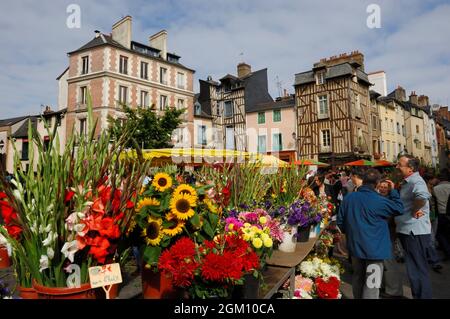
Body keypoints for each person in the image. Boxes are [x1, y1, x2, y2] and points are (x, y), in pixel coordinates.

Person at [337, 169, 404, 299]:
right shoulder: (379, 200)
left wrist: (351, 233)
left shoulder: (349, 198)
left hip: (356, 246)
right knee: (372, 284)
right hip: (375, 248)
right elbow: (399, 208)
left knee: (358, 277)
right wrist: (393, 191)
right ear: (378, 183)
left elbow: (340, 222)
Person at [395, 155, 433, 299]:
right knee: (414, 268)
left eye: (400, 165)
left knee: (416, 268)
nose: (397, 167)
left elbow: (422, 197)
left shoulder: (416, 180)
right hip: (409, 230)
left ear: (410, 168)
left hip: (414, 231)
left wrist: (413, 210)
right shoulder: (409, 181)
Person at [377, 180, 405, 298]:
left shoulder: (392, 200)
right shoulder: (377, 198)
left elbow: (396, 213)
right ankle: (384, 286)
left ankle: (394, 290)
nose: (383, 189)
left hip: (389, 233)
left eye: (385, 187)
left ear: (389, 189)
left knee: (389, 261)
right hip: (381, 234)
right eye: (381, 187)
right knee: (382, 261)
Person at [433, 169, 450, 259]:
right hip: (448, 213)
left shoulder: (435, 189)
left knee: (440, 233)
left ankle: (447, 250)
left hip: (441, 213)